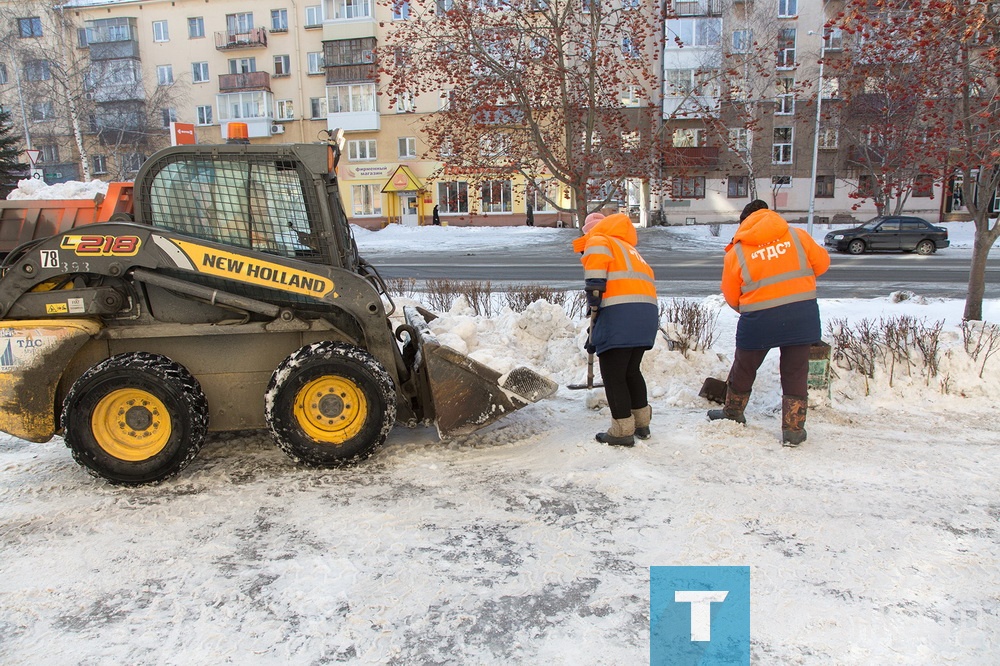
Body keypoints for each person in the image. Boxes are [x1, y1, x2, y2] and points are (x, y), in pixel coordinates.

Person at [708, 200, 831, 446]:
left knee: (745, 365)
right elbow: (822, 264)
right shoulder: (798, 237)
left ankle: (733, 413)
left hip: (759, 319)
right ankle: (793, 430)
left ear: (744, 222)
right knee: (795, 370)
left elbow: (732, 295)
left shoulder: (737, 252)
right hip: (801, 314)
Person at [572, 212, 658, 447]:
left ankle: (621, 431)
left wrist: (593, 302)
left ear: (590, 231)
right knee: (631, 371)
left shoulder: (599, 240)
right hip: (646, 316)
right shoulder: (629, 249)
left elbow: (596, 284)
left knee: (613, 374)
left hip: (621, 314)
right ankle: (642, 424)